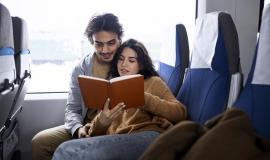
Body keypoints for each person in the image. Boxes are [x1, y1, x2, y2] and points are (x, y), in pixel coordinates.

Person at [52, 39, 187, 160]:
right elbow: (95, 132)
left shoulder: (153, 82)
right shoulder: (112, 87)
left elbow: (180, 112)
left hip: (147, 136)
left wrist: (144, 99)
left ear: (140, 64)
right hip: (118, 139)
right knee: (65, 148)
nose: (124, 64)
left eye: (131, 60)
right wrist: (102, 121)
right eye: (121, 59)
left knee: (67, 152)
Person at [31, 13, 123, 160]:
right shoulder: (81, 68)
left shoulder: (129, 62)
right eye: (99, 44)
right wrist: (78, 129)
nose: (105, 50)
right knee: (39, 142)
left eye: (111, 43)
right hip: (88, 126)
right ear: (92, 42)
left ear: (119, 39)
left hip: (119, 126)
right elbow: (72, 109)